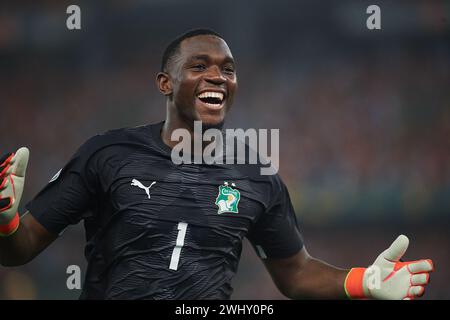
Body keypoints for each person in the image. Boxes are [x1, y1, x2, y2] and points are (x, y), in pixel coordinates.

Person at [0, 29, 434, 300]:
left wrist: (361, 281)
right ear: (165, 83)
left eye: (228, 69)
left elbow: (295, 274)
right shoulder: (106, 154)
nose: (217, 76)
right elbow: (19, 251)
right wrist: (5, 221)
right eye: (199, 66)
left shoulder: (255, 174)